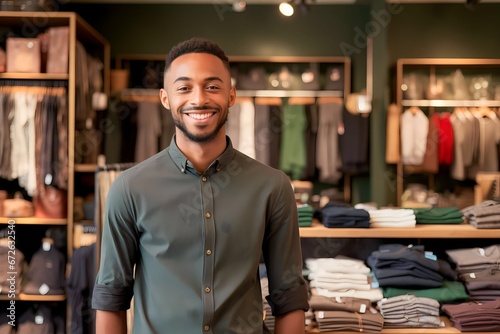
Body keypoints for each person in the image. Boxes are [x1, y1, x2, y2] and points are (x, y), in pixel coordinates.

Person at [92, 37, 309, 334]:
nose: (198, 99)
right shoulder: (129, 188)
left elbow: (290, 297)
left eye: (212, 86)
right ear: (166, 98)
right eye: (184, 88)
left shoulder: (272, 186)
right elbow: (110, 298)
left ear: (231, 96)